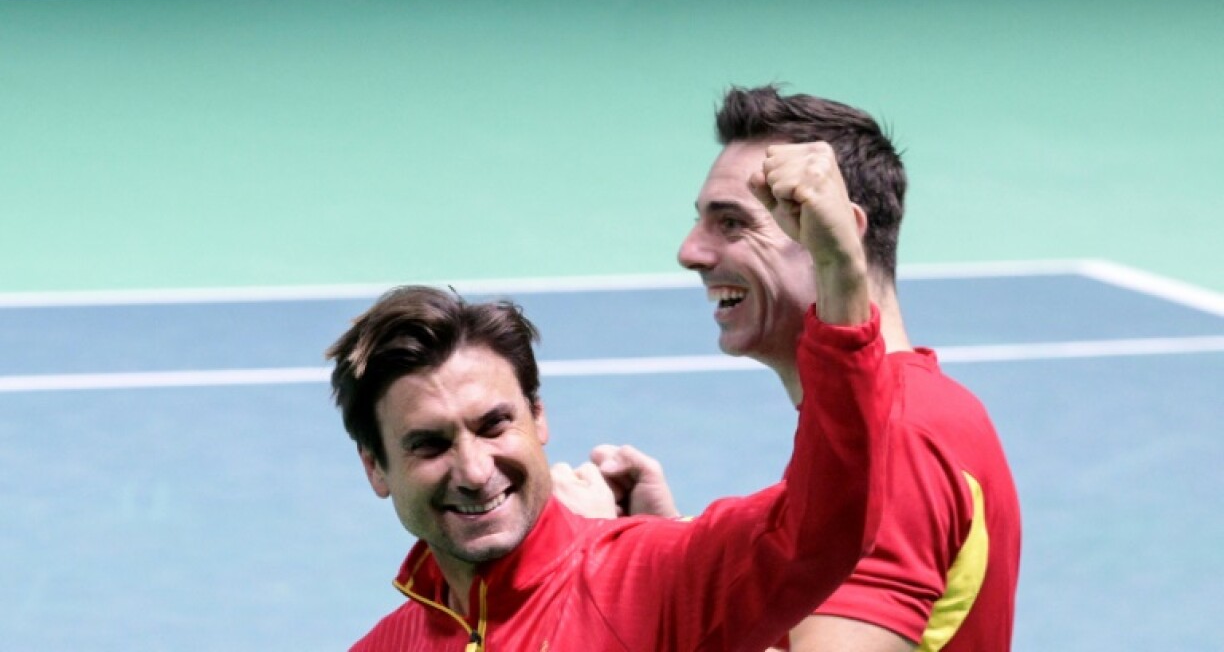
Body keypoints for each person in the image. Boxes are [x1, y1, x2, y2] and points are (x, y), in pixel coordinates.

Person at [325, 143, 894, 652]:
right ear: (376, 468)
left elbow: (826, 524)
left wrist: (839, 273)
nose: (474, 471)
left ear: (538, 416)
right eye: (430, 445)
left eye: (494, 425)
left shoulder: (653, 579)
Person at [556, 85, 1021, 651]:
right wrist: (668, 548)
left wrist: (604, 552)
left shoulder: (895, 436)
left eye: (731, 223)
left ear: (834, 232)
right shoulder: (921, 410)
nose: (691, 252)